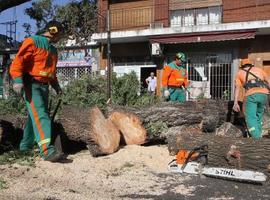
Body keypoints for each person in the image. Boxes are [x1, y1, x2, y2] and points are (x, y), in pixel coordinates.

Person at [9, 20, 65, 162]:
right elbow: (18, 62)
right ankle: (47, 151)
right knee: (41, 115)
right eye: (60, 34)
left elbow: (51, 72)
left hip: (44, 87)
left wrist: (56, 86)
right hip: (31, 85)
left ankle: (25, 146)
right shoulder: (33, 41)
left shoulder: (53, 50)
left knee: (35, 116)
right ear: (53, 31)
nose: (61, 37)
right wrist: (17, 81)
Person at [233, 58, 270, 139]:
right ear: (251, 65)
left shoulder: (239, 73)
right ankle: (259, 134)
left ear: (242, 66)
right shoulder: (259, 70)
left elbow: (237, 88)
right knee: (258, 116)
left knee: (250, 118)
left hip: (251, 95)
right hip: (264, 94)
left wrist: (235, 102)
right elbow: (268, 81)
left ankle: (257, 140)